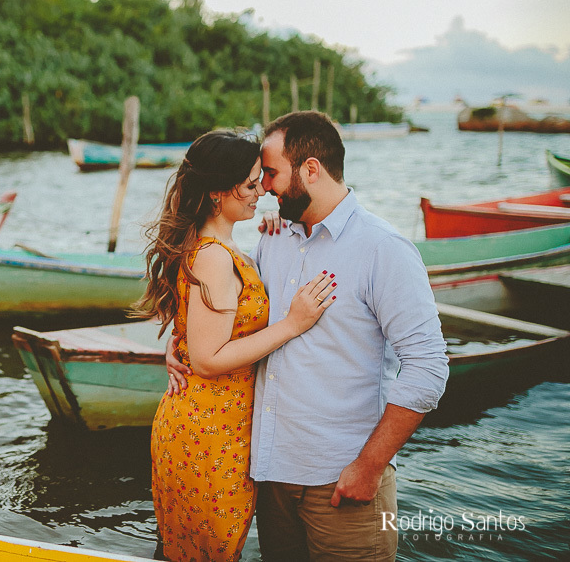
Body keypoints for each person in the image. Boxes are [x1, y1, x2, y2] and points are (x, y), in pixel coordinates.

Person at [170, 111, 449, 560]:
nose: (264, 187)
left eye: (272, 174)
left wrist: (370, 466)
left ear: (311, 169)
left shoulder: (383, 248)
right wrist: (178, 346)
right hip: (270, 478)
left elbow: (428, 367)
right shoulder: (273, 237)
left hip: (341, 481)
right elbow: (230, 317)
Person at [133, 128, 337, 562]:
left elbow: (200, 333)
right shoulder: (213, 256)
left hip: (216, 426)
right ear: (216, 193)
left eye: (260, 180)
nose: (261, 192)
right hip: (208, 433)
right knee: (211, 553)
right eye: (250, 184)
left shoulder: (223, 246)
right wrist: (293, 324)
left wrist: (276, 225)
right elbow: (208, 360)